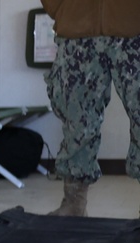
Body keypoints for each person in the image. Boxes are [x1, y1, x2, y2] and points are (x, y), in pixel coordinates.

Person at [42, 0, 140, 216]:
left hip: (134, 28)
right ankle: (74, 204)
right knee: (76, 118)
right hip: (77, 29)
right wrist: (61, 7)